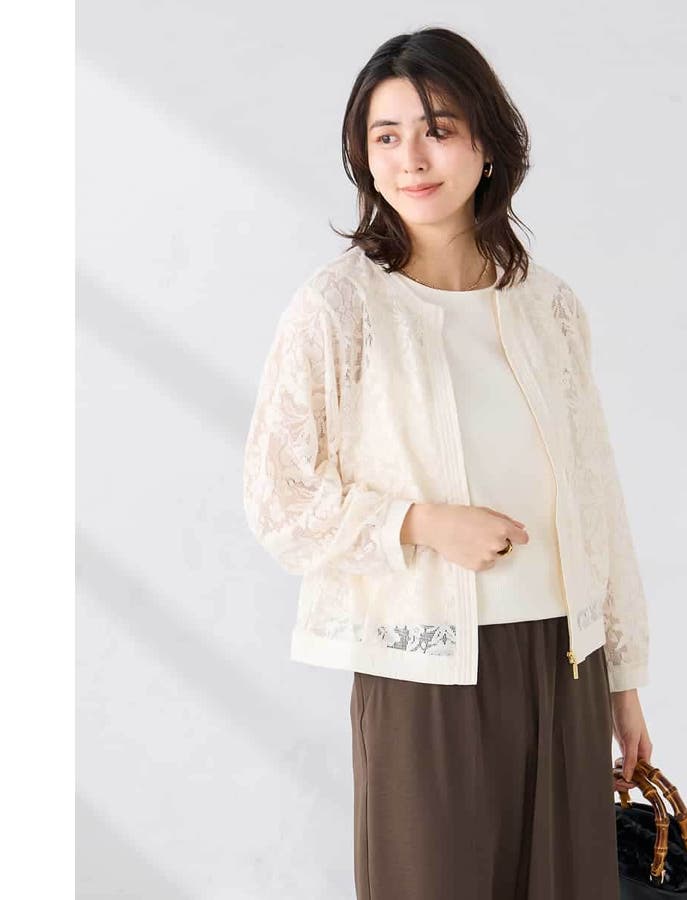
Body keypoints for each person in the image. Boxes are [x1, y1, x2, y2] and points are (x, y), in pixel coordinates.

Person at [243, 26, 653, 900]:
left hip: (566, 658)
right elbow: (278, 497)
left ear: (487, 144)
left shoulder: (548, 307)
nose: (412, 158)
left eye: (438, 129)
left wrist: (622, 679)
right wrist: (421, 524)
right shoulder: (340, 307)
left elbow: (596, 495)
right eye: (386, 136)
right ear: (362, 156)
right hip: (423, 669)